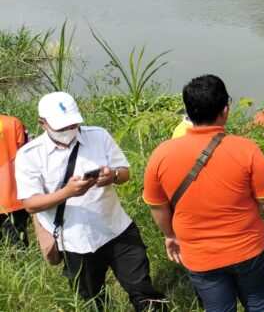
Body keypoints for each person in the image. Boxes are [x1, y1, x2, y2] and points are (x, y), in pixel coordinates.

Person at [144, 75, 264, 312]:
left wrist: (170, 235)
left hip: (200, 255)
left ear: (188, 112)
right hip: (248, 248)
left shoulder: (161, 155)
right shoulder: (246, 150)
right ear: (225, 110)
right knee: (258, 300)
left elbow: (158, 207)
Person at [15, 92, 166, 311]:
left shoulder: (98, 136)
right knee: (91, 299)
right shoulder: (30, 155)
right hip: (74, 242)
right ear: (42, 123)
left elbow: (125, 173)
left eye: (73, 124)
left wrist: (112, 175)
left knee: (142, 288)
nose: (69, 131)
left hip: (116, 229)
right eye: (62, 127)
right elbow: (30, 204)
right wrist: (67, 192)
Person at [0, 113, 28, 246]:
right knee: (18, 246)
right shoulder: (13, 123)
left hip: (12, 200)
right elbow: (27, 155)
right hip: (12, 197)